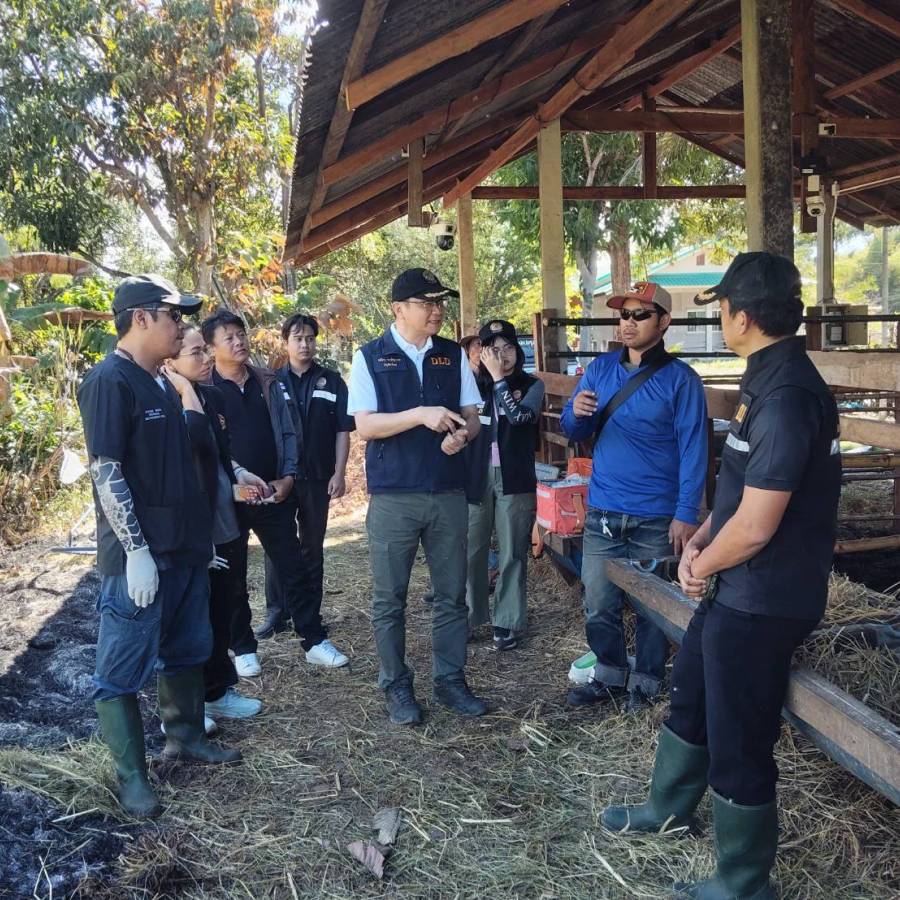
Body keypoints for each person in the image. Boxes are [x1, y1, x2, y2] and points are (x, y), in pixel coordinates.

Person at [601, 253, 842, 900]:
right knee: (692, 695)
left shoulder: (787, 397)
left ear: (742, 316)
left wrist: (701, 566)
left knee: (739, 737)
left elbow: (758, 525)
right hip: (740, 584)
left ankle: (743, 881)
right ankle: (668, 809)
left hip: (766, 596)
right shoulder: (767, 378)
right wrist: (705, 535)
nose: (721, 318)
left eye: (723, 308)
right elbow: (743, 491)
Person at [77, 274, 240, 819]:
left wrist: (198, 540)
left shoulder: (162, 382)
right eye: (174, 316)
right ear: (141, 318)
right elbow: (106, 471)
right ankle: (132, 779)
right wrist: (136, 551)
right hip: (140, 560)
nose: (181, 326)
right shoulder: (109, 381)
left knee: (188, 649)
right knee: (120, 671)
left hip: (185, 551)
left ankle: (186, 736)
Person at [560, 281, 708, 713]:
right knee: (597, 602)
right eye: (624, 314)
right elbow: (573, 428)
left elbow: (694, 449)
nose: (629, 322)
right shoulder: (600, 370)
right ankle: (608, 674)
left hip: (657, 515)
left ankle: (645, 683)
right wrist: (576, 414)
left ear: (664, 322)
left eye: (640, 314)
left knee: (652, 608)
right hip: (604, 511)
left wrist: (686, 513)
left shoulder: (681, 380)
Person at [347, 267, 487, 725]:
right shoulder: (370, 357)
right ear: (398, 309)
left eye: (440, 302)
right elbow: (366, 425)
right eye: (427, 303)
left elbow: (472, 417)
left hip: (447, 491)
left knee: (452, 595)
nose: (437, 310)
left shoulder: (451, 354)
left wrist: (462, 436)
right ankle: (395, 684)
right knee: (390, 599)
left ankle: (450, 679)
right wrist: (420, 414)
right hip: (394, 496)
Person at [203, 309, 347, 675]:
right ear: (211, 348)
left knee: (293, 566)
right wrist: (233, 484)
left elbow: (288, 431)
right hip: (231, 499)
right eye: (229, 338)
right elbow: (206, 447)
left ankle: (313, 639)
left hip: (271, 492)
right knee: (233, 575)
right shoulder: (203, 390)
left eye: (241, 334)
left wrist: (288, 477)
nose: (239, 342)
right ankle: (243, 647)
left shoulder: (266, 381)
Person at [163, 325, 264, 722]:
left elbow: (218, 454)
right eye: (195, 353)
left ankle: (218, 691)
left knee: (224, 606)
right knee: (193, 619)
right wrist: (185, 393)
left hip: (225, 521)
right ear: (170, 364)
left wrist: (239, 474)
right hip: (193, 530)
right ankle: (189, 706)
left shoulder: (213, 395)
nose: (206, 358)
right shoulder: (165, 402)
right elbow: (186, 455)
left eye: (205, 350)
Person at [255, 313, 353, 656]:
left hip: (317, 476)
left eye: (310, 338)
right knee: (278, 546)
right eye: (297, 338)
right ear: (286, 342)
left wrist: (339, 473)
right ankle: (276, 611)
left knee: (312, 547)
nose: (304, 344)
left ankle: (310, 615)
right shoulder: (271, 382)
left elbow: (343, 430)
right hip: (282, 476)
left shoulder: (332, 381)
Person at [465, 320, 543, 650]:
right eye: (494, 350)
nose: (502, 355)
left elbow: (520, 417)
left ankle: (506, 620)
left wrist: (499, 381)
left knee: (512, 550)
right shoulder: (470, 386)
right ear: (482, 353)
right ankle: (470, 616)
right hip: (475, 474)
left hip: (515, 475)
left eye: (508, 348)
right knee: (472, 548)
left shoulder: (532, 384)